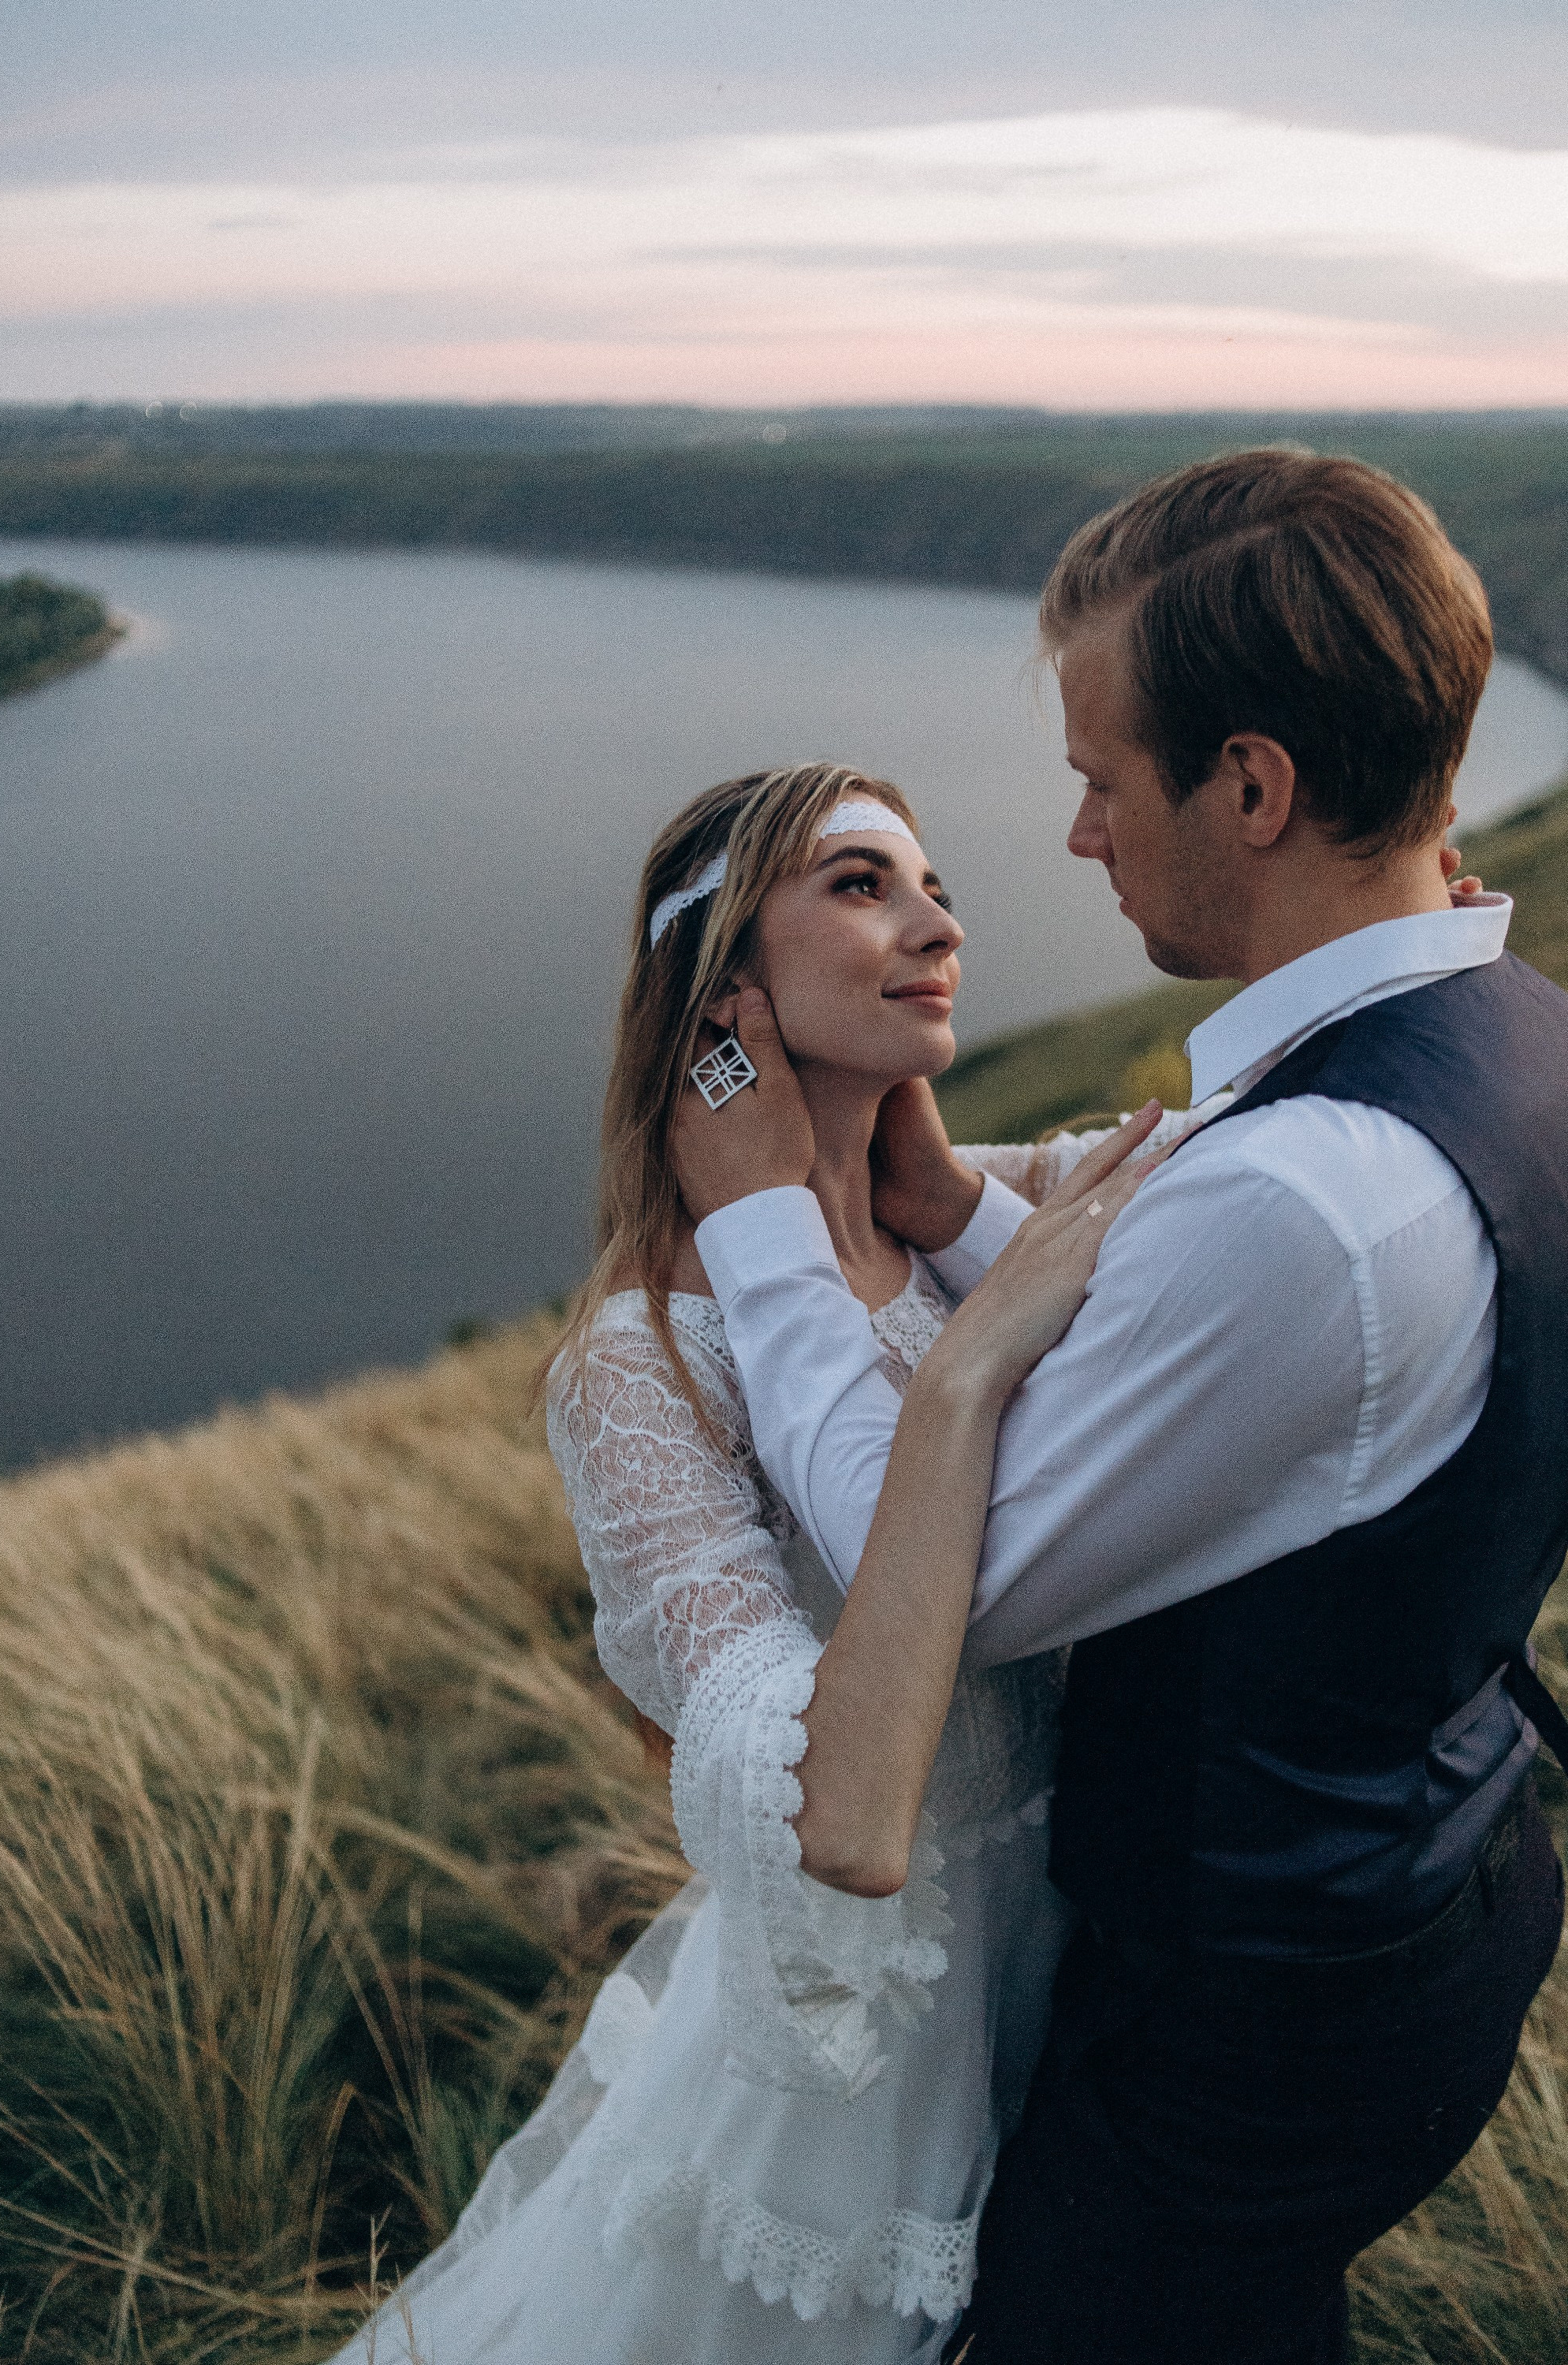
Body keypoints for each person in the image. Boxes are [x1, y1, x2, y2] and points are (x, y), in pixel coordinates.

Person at [672, 450, 1568, 2365]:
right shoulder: (1510, 1033)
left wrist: (760, 1224)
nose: (1073, 835)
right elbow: (1268, 1394)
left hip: (1253, 2020)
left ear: (1251, 785)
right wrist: (958, 1216)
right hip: (1436, 1885)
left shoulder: (1309, 1195)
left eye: (1101, 777)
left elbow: (942, 1579)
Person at [329, 762, 1174, 2365]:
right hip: (870, 2064)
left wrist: (951, 1208)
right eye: (861, 887)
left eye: (928, 887)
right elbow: (792, 1791)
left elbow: (1233, 1201)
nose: (936, 924)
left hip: (1088, 1954)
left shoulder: (966, 1207)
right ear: (722, 993)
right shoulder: (645, 1362)